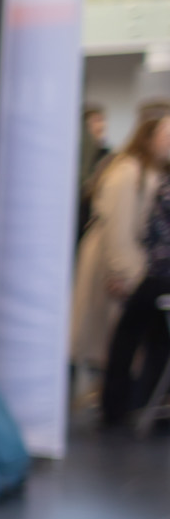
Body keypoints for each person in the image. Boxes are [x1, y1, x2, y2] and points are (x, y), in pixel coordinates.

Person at [72, 101, 170, 408]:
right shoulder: (127, 172)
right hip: (120, 268)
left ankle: (123, 403)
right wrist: (127, 274)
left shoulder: (149, 172)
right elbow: (118, 229)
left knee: (131, 341)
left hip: (138, 267)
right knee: (119, 341)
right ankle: (113, 406)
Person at [102, 174, 170, 429]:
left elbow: (151, 234)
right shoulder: (134, 175)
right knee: (154, 343)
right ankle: (141, 406)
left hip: (157, 276)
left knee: (132, 339)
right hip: (157, 277)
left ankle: (121, 407)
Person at [78, 103, 110, 242]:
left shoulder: (107, 156)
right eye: (96, 120)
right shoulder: (76, 157)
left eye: (102, 120)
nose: (101, 125)